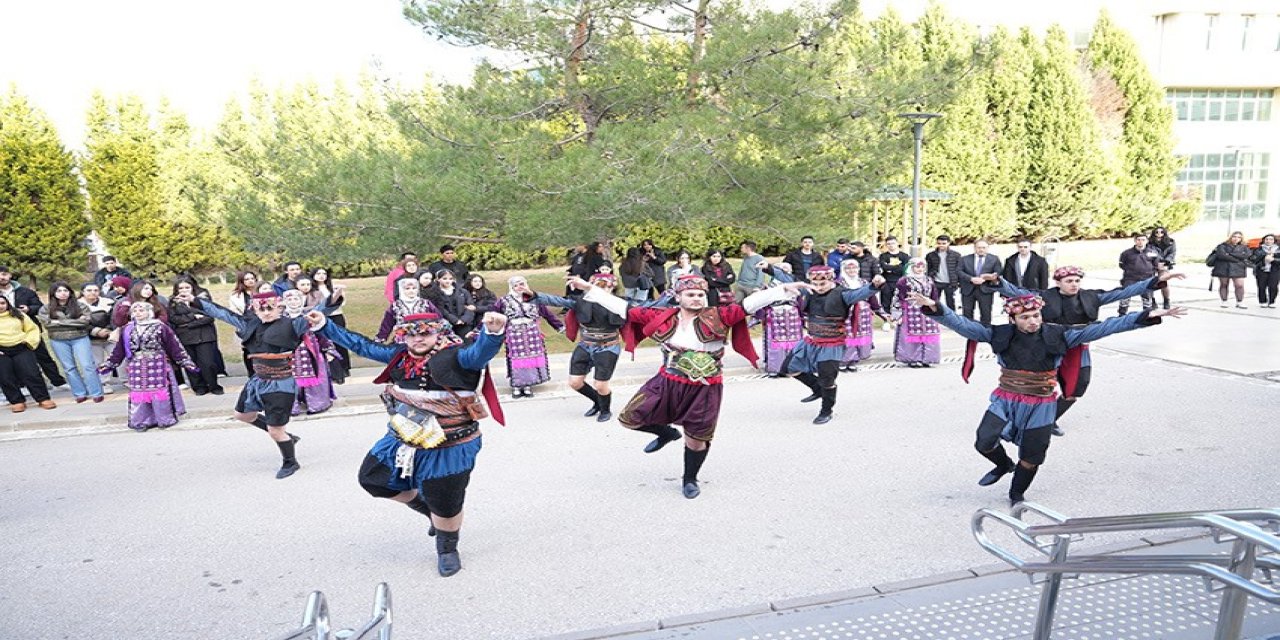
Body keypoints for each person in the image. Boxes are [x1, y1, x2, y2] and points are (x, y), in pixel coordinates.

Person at [909, 290, 1185, 505]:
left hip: (1041, 403)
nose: (1032, 321)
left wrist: (1145, 315)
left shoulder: (1060, 335)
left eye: (1036, 316)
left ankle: (1016, 494)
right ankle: (1004, 464)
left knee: (1032, 457)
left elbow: (1105, 327)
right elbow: (963, 325)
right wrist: (936, 308)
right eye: (1025, 317)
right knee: (983, 442)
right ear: (1013, 320)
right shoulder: (999, 334)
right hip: (1006, 398)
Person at [309, 308, 507, 577]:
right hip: (403, 438)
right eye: (410, 335)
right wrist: (324, 325)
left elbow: (480, 353)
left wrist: (492, 333)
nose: (418, 340)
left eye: (425, 333)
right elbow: (359, 344)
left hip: (450, 445)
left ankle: (447, 548)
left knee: (446, 501)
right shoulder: (398, 357)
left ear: (438, 332)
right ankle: (428, 510)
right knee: (373, 479)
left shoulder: (459, 357)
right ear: (403, 336)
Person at [573, 273, 788, 499]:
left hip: (705, 387)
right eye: (691, 294)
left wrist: (782, 290)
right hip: (667, 381)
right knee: (630, 417)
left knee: (696, 440)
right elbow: (623, 308)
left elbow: (748, 305)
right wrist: (589, 287)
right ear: (678, 296)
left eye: (701, 295)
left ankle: (690, 479)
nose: (697, 298)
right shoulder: (661, 317)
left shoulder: (720, 315)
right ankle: (666, 433)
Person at [994, 265, 1184, 436]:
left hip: (1078, 345)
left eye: (1077, 280)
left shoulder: (1091, 297)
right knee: (1034, 386)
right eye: (1069, 281)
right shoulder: (1044, 297)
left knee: (1076, 389)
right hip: (1047, 344)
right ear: (1058, 282)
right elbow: (1016, 291)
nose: (1074, 284)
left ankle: (1048, 420)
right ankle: (1017, 424)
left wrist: (1156, 280)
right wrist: (997, 282)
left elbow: (1124, 292)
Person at [182, 290, 309, 478]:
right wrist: (195, 301)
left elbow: (319, 313)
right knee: (242, 415)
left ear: (279, 307)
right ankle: (286, 437)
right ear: (255, 310)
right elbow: (223, 313)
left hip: (281, 383)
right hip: (257, 381)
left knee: (275, 431)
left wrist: (332, 300)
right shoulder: (249, 324)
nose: (266, 313)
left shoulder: (292, 325)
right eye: (262, 309)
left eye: (270, 308)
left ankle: (290, 461)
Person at [754, 265, 883, 424]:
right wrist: (768, 268)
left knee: (827, 379)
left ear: (831, 280)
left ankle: (826, 410)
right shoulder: (809, 291)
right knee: (789, 368)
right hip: (811, 340)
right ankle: (817, 389)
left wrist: (875, 285)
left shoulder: (843, 294)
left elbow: (862, 292)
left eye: (822, 284)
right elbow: (789, 279)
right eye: (815, 284)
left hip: (832, 344)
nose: (818, 288)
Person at [532, 272, 626, 422]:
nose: (601, 289)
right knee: (575, 382)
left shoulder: (620, 303)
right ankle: (598, 402)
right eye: (597, 285)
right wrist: (532, 294)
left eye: (605, 285)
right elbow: (556, 300)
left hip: (607, 347)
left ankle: (605, 409)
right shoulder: (581, 301)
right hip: (586, 345)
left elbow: (645, 308)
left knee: (601, 385)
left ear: (613, 287)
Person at [99, 302, 199, 430]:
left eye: (141, 310)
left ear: (149, 312)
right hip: (136, 365)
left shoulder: (160, 327)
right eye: (135, 311)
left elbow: (173, 345)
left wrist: (185, 361)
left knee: (159, 393)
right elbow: (120, 350)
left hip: (157, 363)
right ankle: (142, 421)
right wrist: (109, 364)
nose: (138, 313)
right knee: (139, 394)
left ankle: (164, 419)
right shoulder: (127, 329)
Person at [493, 276, 563, 398]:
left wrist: (559, 326)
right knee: (517, 359)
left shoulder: (534, 299)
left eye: (522, 284)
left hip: (532, 333)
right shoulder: (503, 301)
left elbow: (547, 314)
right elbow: (493, 315)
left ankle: (527, 386)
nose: (519, 287)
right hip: (514, 334)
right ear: (512, 287)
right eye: (516, 285)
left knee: (531, 359)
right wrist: (481, 331)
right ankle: (516, 386)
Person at [0, 266, 67, 388]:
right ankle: (22, 385)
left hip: (30, 330)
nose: (1, 277)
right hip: (7, 334)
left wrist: (29, 309)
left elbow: (40, 307)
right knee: (15, 361)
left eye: (4, 274)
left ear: (9, 275)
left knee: (43, 357)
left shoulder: (26, 291)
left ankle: (58, 382)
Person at [39, 282, 104, 404]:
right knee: (69, 367)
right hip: (58, 339)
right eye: (59, 291)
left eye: (65, 290)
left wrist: (58, 322)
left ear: (70, 292)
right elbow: (47, 324)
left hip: (79, 337)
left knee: (87, 365)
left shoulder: (80, 306)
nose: (63, 293)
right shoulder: (46, 308)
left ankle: (96, 392)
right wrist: (74, 321)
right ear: (53, 293)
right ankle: (79, 393)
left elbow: (85, 323)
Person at [282, 288, 335, 416]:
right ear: (285, 301)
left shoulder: (310, 315)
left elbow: (321, 332)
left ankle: (316, 404)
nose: (293, 302)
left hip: (311, 351)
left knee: (315, 377)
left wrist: (328, 349)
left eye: (296, 299)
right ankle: (291, 407)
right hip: (288, 354)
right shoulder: (281, 318)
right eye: (290, 299)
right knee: (289, 380)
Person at [169, 279, 225, 396]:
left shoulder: (202, 300)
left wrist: (189, 323)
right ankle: (199, 386)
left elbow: (210, 317)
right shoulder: (173, 303)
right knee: (191, 363)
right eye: (181, 288)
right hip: (185, 337)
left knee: (208, 363)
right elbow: (175, 319)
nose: (184, 291)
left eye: (187, 287)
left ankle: (213, 385)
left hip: (204, 335)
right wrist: (194, 316)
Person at [0, 296, 55, 412]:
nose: (0, 306)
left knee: (31, 373)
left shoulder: (18, 315)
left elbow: (32, 329)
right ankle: (17, 401)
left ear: (7, 303)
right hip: (2, 351)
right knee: (5, 377)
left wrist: (29, 343)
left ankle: (43, 398)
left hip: (22, 347)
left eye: (2, 303)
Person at [838, 260, 890, 372]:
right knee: (848, 337)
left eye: (854, 268)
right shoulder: (838, 283)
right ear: (844, 269)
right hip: (847, 315)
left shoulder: (863, 282)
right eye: (848, 268)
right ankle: (843, 360)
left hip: (863, 315)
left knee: (859, 336)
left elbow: (873, 298)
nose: (852, 270)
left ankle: (854, 360)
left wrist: (881, 313)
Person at [754, 263, 803, 377]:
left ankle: (792, 367)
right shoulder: (768, 286)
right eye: (781, 269)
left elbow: (802, 301)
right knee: (776, 344)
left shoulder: (795, 284)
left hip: (792, 315)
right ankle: (775, 368)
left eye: (787, 269)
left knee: (794, 342)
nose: (784, 271)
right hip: (775, 315)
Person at [893, 258, 942, 368]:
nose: (919, 269)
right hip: (910, 311)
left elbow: (934, 296)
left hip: (928, 310)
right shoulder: (904, 281)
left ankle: (928, 358)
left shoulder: (929, 280)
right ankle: (913, 359)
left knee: (928, 333)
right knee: (912, 335)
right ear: (911, 267)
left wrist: (937, 309)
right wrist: (898, 314)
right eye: (917, 267)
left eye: (922, 267)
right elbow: (898, 297)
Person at [310, 267, 350, 382]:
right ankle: (331, 370)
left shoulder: (333, 287)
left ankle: (344, 367)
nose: (321, 275)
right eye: (318, 273)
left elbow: (342, 302)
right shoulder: (312, 290)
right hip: (322, 317)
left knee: (340, 341)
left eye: (324, 273)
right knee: (326, 343)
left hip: (337, 315)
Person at [79, 283, 116, 394]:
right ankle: (102, 383)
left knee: (113, 359)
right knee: (97, 361)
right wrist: (96, 331)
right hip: (91, 338)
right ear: (83, 292)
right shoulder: (77, 305)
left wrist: (108, 330)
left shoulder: (109, 302)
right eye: (89, 290)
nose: (92, 292)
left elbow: (114, 318)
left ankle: (122, 379)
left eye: (95, 290)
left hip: (110, 336)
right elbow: (80, 322)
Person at [377, 278, 440, 342]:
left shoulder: (426, 303)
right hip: (403, 340)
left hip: (423, 338)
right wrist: (380, 339)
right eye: (407, 288)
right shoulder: (395, 306)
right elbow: (387, 324)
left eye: (414, 288)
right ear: (402, 289)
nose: (411, 291)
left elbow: (438, 318)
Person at [958, 239, 1002, 326]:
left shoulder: (994, 259)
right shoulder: (965, 259)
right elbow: (959, 271)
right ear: (974, 248)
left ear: (988, 248)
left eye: (983, 247)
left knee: (986, 313)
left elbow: (998, 272)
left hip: (985, 289)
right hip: (968, 290)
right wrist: (971, 278)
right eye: (979, 247)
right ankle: (970, 334)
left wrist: (986, 277)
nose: (981, 249)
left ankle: (985, 332)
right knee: (967, 313)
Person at [1116, 233, 1162, 315]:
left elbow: (1156, 265)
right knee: (1125, 296)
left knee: (1147, 297)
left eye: (1143, 240)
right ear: (1135, 241)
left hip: (1147, 279)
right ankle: (1122, 314)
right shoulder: (1126, 253)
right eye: (1138, 240)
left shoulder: (1153, 253)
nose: (1140, 242)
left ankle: (1147, 314)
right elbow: (1122, 265)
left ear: (1147, 241)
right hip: (1130, 278)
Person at [228, 271, 260, 377]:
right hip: (246, 325)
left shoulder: (262, 291)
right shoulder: (236, 296)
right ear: (242, 281)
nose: (250, 281)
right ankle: (251, 374)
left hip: (262, 324)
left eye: (252, 278)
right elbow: (234, 313)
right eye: (247, 279)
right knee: (248, 350)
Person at [428, 270, 477, 337]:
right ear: (438, 279)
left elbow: (470, 307)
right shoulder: (435, 293)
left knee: (467, 341)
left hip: (463, 322)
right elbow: (440, 310)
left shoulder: (463, 291)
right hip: (446, 323)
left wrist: (463, 320)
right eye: (444, 278)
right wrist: (455, 320)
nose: (448, 281)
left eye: (450, 279)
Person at [1211, 231, 1252, 309]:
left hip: (1238, 268)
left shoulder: (1244, 247)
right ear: (1231, 237)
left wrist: (1230, 254)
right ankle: (1224, 301)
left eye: (1239, 237)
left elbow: (1246, 255)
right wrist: (1237, 259)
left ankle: (1240, 302)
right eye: (1234, 236)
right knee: (1224, 284)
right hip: (1223, 267)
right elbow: (1221, 255)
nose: (1236, 238)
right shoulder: (1222, 245)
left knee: (1239, 285)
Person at [925, 235, 961, 311]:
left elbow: (958, 269)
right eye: (939, 243)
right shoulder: (930, 255)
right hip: (936, 282)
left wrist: (957, 282)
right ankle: (936, 317)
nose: (941, 245)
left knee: (950, 302)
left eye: (944, 243)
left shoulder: (956, 255)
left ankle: (951, 320)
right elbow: (928, 269)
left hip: (950, 283)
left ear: (948, 243)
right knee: (934, 301)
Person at [877, 236, 910, 312]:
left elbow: (904, 268)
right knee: (885, 302)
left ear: (897, 243)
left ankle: (901, 319)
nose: (891, 245)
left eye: (893, 243)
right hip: (886, 282)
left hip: (900, 282)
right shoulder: (883, 256)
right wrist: (896, 268)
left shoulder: (904, 256)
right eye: (888, 244)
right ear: (886, 245)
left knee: (901, 301)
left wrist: (890, 269)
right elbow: (884, 267)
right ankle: (887, 320)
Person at [1148, 227, 1177, 309]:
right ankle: (1152, 301)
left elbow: (1172, 253)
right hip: (1152, 263)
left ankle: (1166, 300)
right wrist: (1157, 262)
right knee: (1150, 283)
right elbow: (1149, 252)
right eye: (1157, 232)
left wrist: (1165, 262)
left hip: (1165, 263)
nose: (1159, 233)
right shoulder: (1149, 242)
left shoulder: (1171, 242)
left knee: (1163, 281)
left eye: (1161, 232)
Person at [1252, 233, 1279, 308]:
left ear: (1274, 241)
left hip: (1274, 270)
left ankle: (1272, 301)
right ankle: (1262, 301)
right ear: (1263, 240)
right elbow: (1254, 259)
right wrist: (1264, 257)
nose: (1268, 241)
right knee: (1261, 286)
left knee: (1273, 286)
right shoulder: (1259, 249)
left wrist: (1273, 260)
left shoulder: (1278, 249)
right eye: (1266, 239)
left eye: (1271, 239)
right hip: (1262, 269)